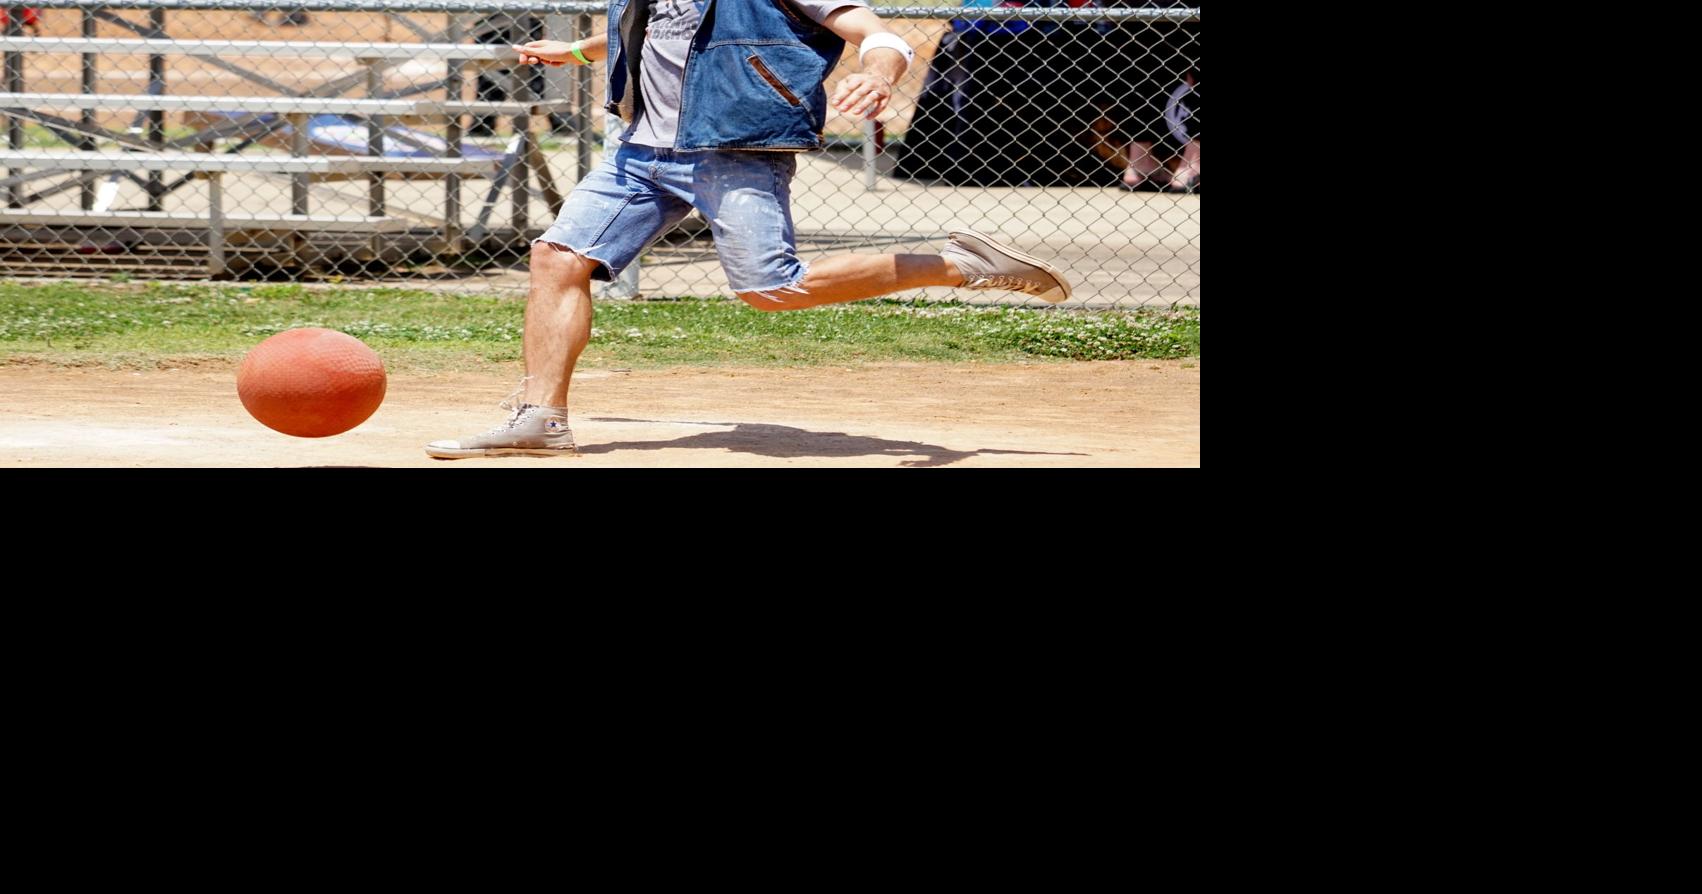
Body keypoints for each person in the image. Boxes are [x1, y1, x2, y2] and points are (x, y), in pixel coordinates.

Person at [425, 0, 1073, 459]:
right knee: (558, 257)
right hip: (641, 153)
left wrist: (877, 75)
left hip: (736, 146)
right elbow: (651, 34)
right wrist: (571, 51)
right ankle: (541, 418)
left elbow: (882, 37)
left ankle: (957, 263)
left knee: (771, 288)